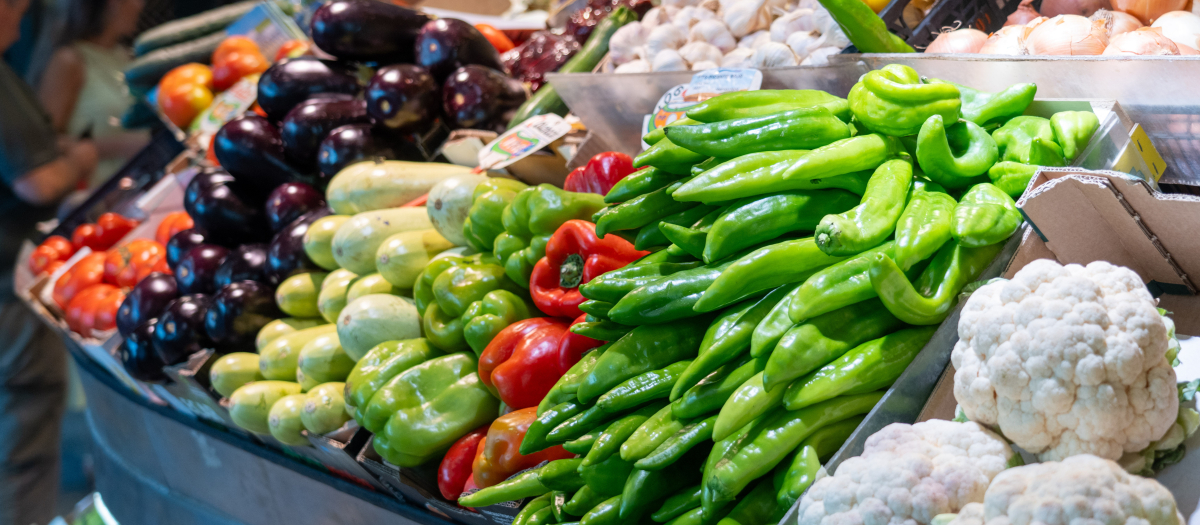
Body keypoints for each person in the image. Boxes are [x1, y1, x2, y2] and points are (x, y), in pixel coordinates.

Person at [0, 0, 99, 521]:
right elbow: (38, 180)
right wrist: (80, 158)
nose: (22, 12)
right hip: (6, 289)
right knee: (23, 433)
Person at [38, 0, 148, 188]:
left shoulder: (124, 55)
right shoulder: (69, 61)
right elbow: (45, 143)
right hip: (98, 196)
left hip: (141, 184)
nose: (141, 5)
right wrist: (119, 146)